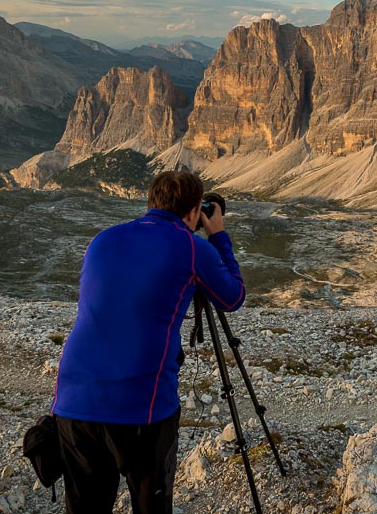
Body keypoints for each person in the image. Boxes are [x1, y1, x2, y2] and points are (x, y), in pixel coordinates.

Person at [51, 170, 245, 513]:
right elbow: (232, 297)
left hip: (73, 400)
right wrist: (219, 236)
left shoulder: (103, 239)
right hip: (141, 405)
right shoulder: (191, 247)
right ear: (192, 212)